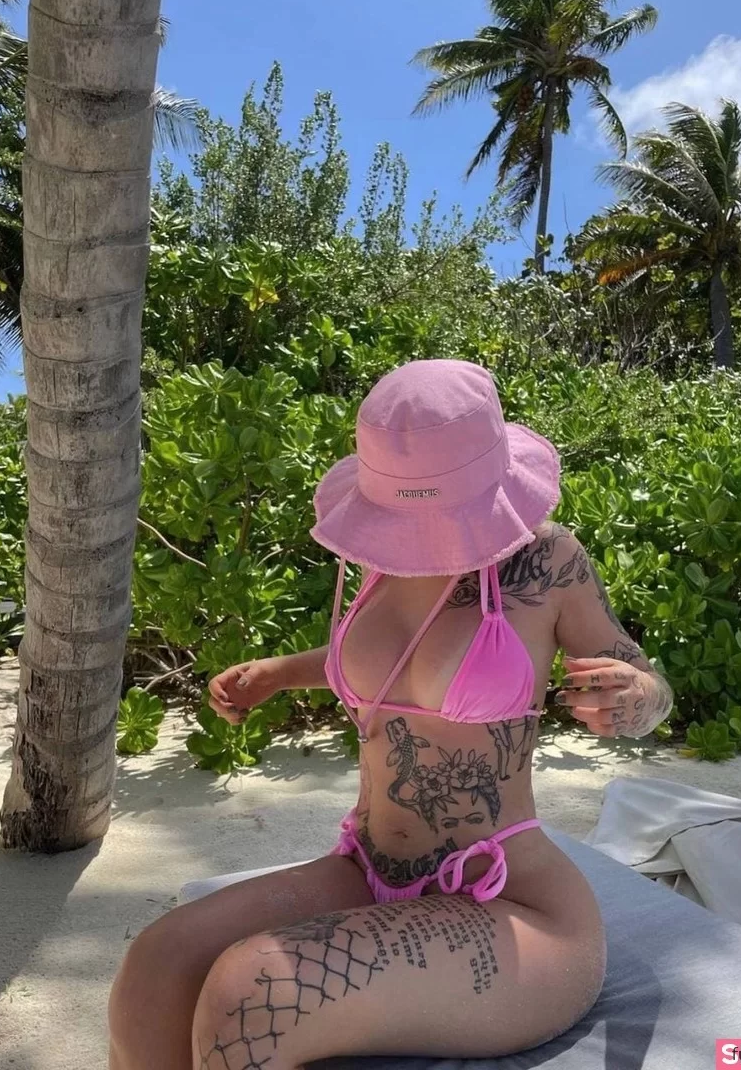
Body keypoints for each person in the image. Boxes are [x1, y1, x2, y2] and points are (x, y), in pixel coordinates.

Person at [108, 359, 674, 1070]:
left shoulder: (547, 560)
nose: (422, 524)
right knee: (159, 964)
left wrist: (636, 697)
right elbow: (397, 662)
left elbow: (647, 686)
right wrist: (279, 674)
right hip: (364, 867)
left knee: (254, 991)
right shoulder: (387, 556)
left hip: (508, 899)